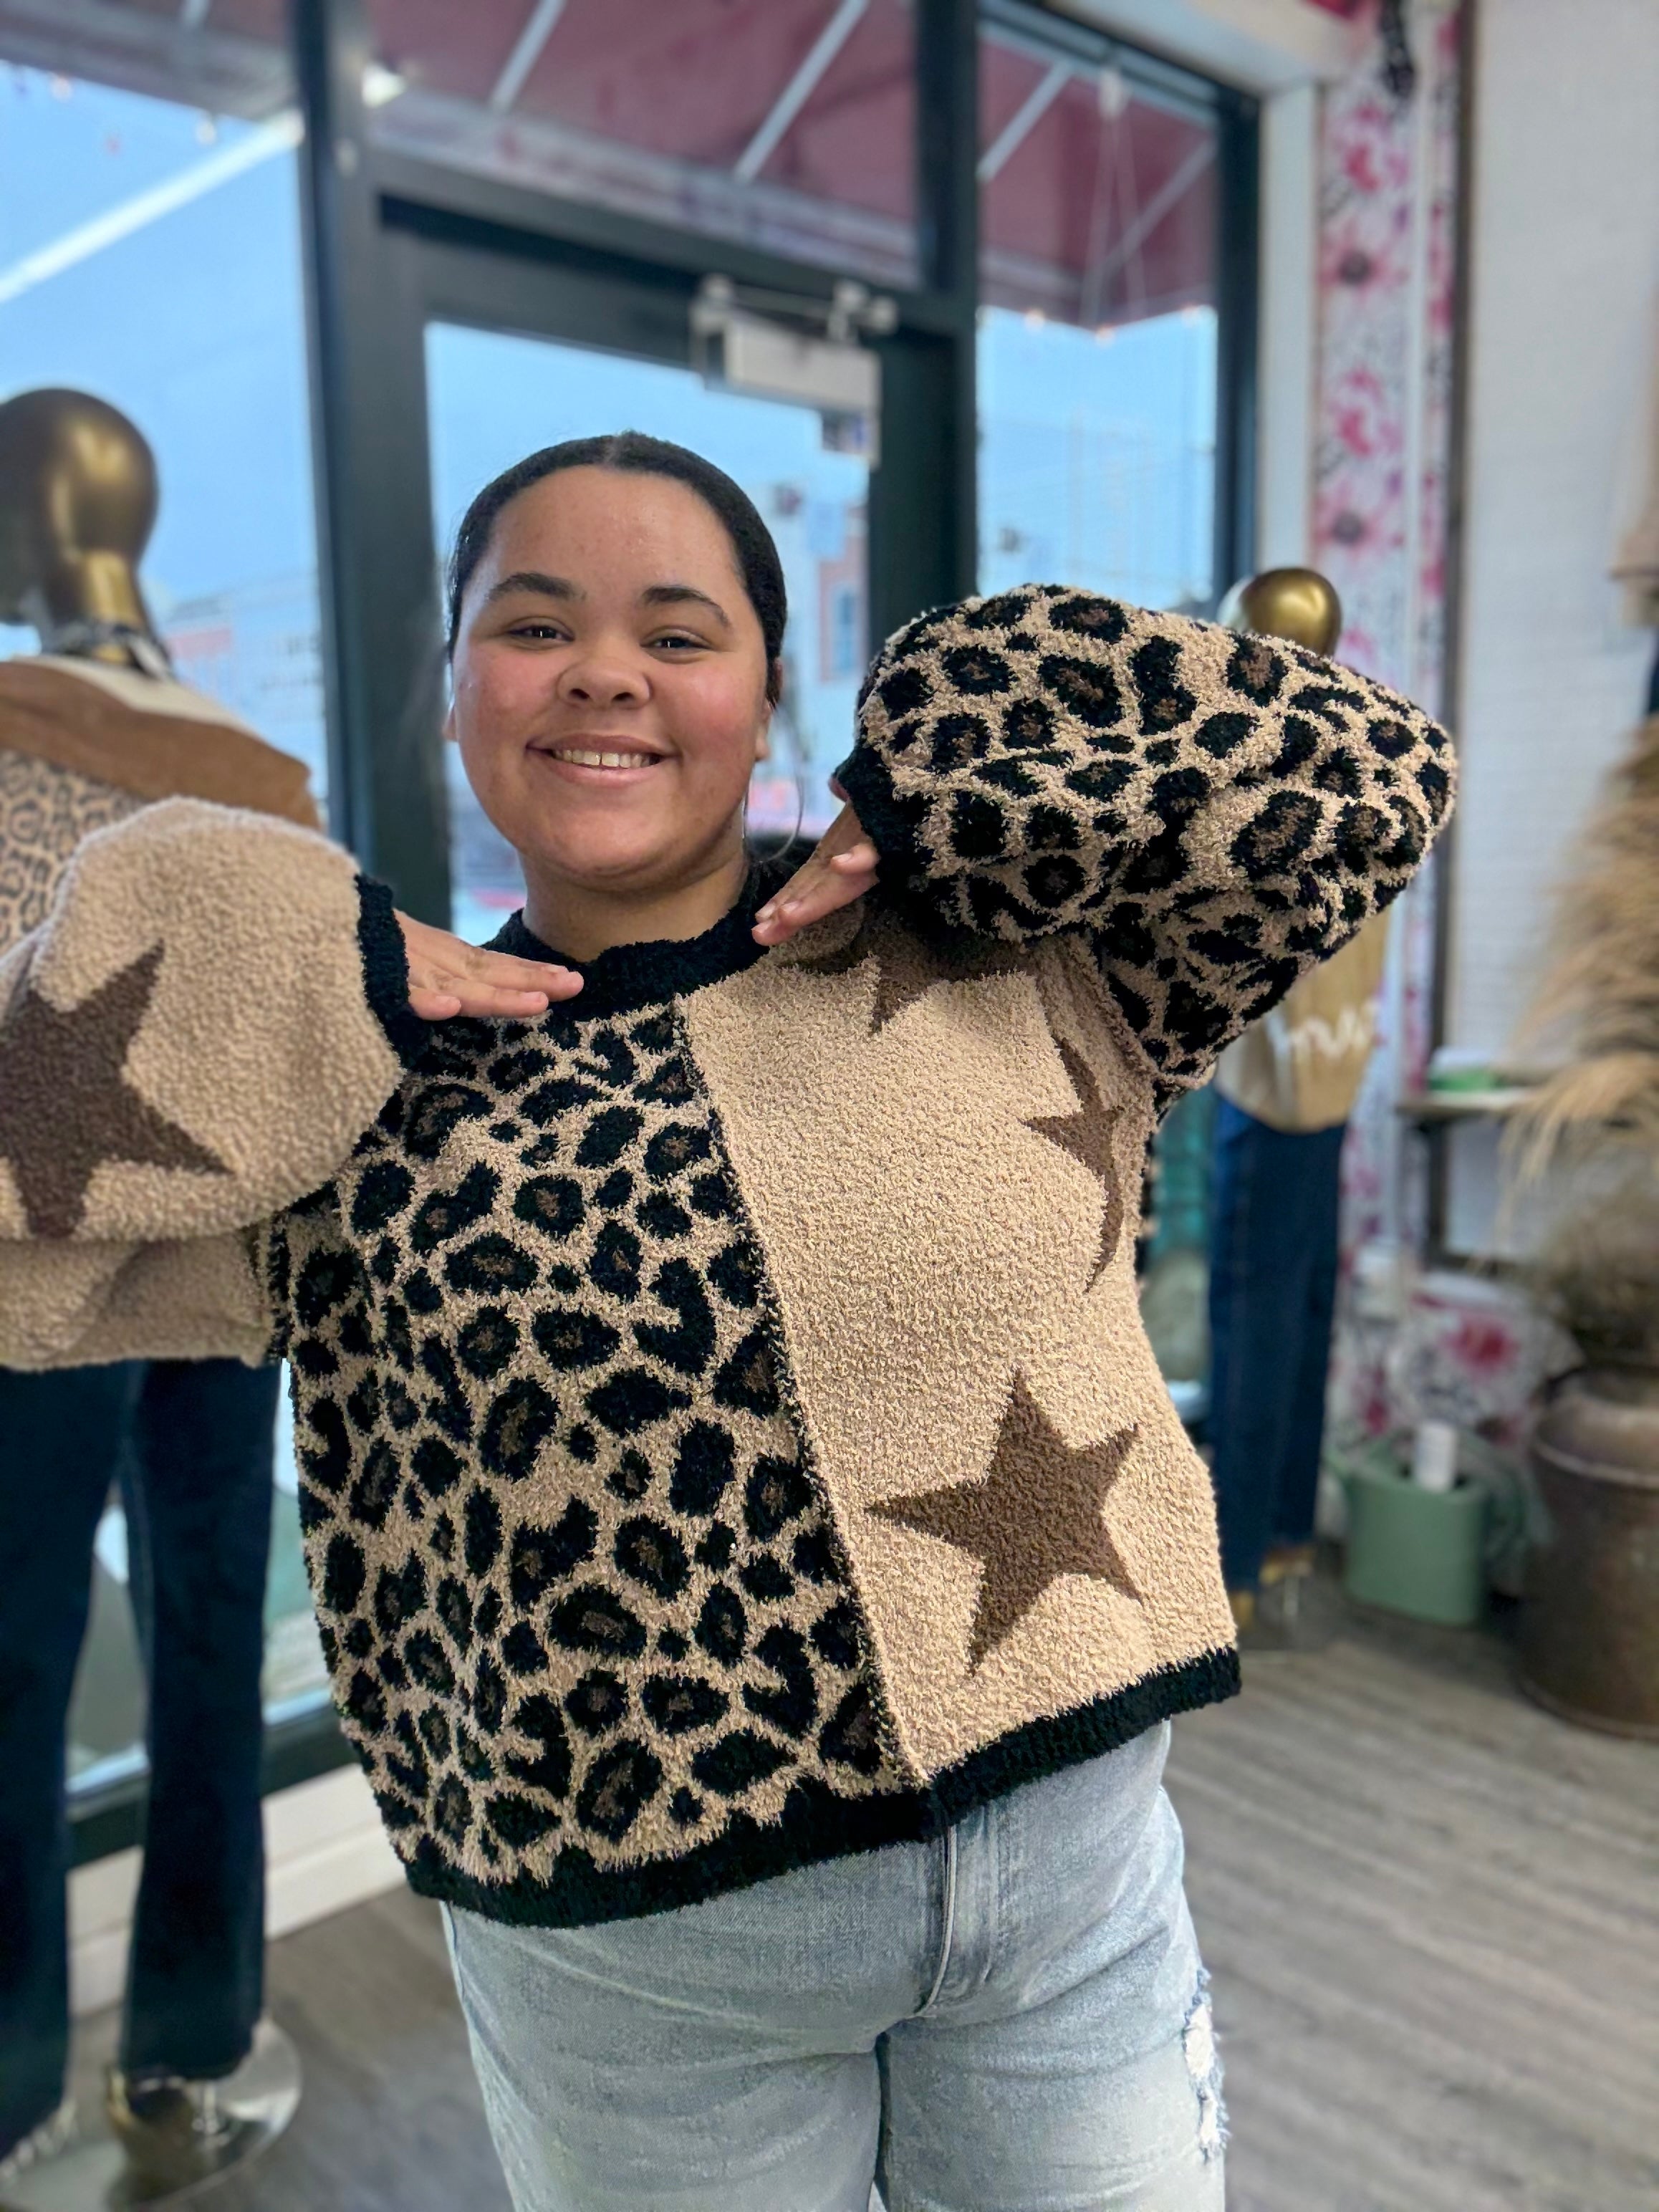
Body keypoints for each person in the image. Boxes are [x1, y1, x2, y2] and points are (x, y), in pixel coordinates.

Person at [0, 433, 1454, 2212]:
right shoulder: (348, 1078)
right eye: (536, 624)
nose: (605, 671)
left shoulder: (1014, 953)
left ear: (770, 695)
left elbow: (1372, 771)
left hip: (1072, 1908)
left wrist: (955, 759)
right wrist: (293, 956)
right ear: (453, 689)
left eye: (679, 633)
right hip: (633, 1972)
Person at [0, 390, 316, 2189]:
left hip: (24, 1271)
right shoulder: (264, 767)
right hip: (221, 1258)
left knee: (11, 1667)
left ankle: (8, 2092)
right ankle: (186, 2046)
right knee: (204, 1643)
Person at [1205, 570, 1393, 1635]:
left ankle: (1228, 1566)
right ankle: (1279, 1539)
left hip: (1267, 1071)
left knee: (1251, 1316)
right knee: (1304, 1306)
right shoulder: (1370, 754)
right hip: (1335, 1060)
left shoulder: (1258, 764)